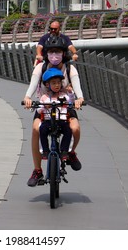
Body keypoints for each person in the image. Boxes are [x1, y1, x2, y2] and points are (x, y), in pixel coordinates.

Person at [23, 35, 85, 187]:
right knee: (36, 129)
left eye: (57, 52)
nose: (54, 55)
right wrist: (27, 98)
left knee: (75, 128)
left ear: (64, 53)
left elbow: (77, 88)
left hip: (65, 107)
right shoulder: (41, 67)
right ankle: (37, 170)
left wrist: (79, 99)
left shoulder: (70, 68)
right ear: (46, 54)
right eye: (51, 52)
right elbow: (32, 85)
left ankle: (70, 152)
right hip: (45, 106)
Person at [37, 68, 73, 162]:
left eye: (59, 82)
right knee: (42, 129)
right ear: (47, 85)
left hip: (61, 120)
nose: (57, 85)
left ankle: (64, 151)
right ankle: (45, 150)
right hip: (48, 120)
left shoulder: (63, 95)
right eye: (54, 83)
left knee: (68, 130)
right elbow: (39, 110)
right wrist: (45, 106)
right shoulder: (44, 97)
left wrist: (70, 93)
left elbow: (70, 102)